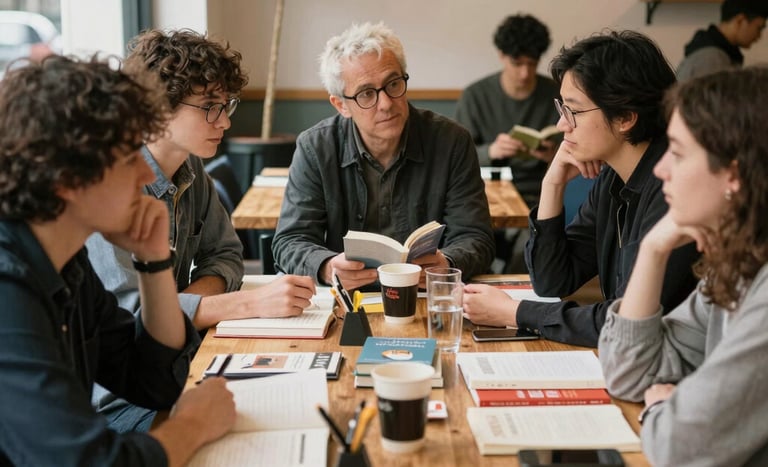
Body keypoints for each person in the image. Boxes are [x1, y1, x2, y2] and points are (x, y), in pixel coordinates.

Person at [0, 55, 235, 466]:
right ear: (67, 178)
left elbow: (153, 382)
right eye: (128, 159)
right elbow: (87, 462)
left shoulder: (68, 264)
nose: (146, 177)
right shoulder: (8, 289)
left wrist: (154, 261)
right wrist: (194, 425)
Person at [85, 29, 316, 432]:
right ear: (157, 110)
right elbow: (135, 328)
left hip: (173, 370)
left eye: (225, 104)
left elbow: (226, 257)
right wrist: (244, 305)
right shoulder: (108, 188)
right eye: (210, 106)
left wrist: (182, 307)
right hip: (117, 407)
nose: (225, 120)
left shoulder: (191, 168)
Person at [463, 30, 700, 347]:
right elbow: (552, 280)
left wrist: (515, 312)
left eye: (573, 111)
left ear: (625, 117)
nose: (563, 125)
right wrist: (553, 183)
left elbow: (622, 322)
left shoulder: (672, 191)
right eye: (562, 110)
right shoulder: (613, 178)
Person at [599, 67, 768, 466]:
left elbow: (677, 446)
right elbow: (628, 374)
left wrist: (658, 410)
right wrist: (654, 247)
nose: (661, 170)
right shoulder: (740, 263)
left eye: (676, 153)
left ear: (734, 173)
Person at [272, 22, 495, 290]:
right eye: (367, 93)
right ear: (341, 104)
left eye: (393, 84)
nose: (387, 103)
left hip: (425, 295)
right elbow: (290, 241)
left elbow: (476, 237)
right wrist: (327, 266)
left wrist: (446, 262)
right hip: (346, 302)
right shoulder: (315, 148)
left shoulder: (451, 141)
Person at [455, 14, 561, 274]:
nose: (525, 73)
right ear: (502, 56)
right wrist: (491, 150)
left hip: (539, 192)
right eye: (517, 63)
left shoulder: (556, 94)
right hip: (486, 192)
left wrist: (553, 155)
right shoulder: (476, 96)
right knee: (470, 237)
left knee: (532, 244)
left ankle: (514, 294)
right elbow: (455, 158)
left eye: (532, 63)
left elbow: (577, 153)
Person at [676, 0, 767, 81]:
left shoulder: (712, 52)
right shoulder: (712, 58)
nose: (759, 36)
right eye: (759, 28)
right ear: (740, 20)